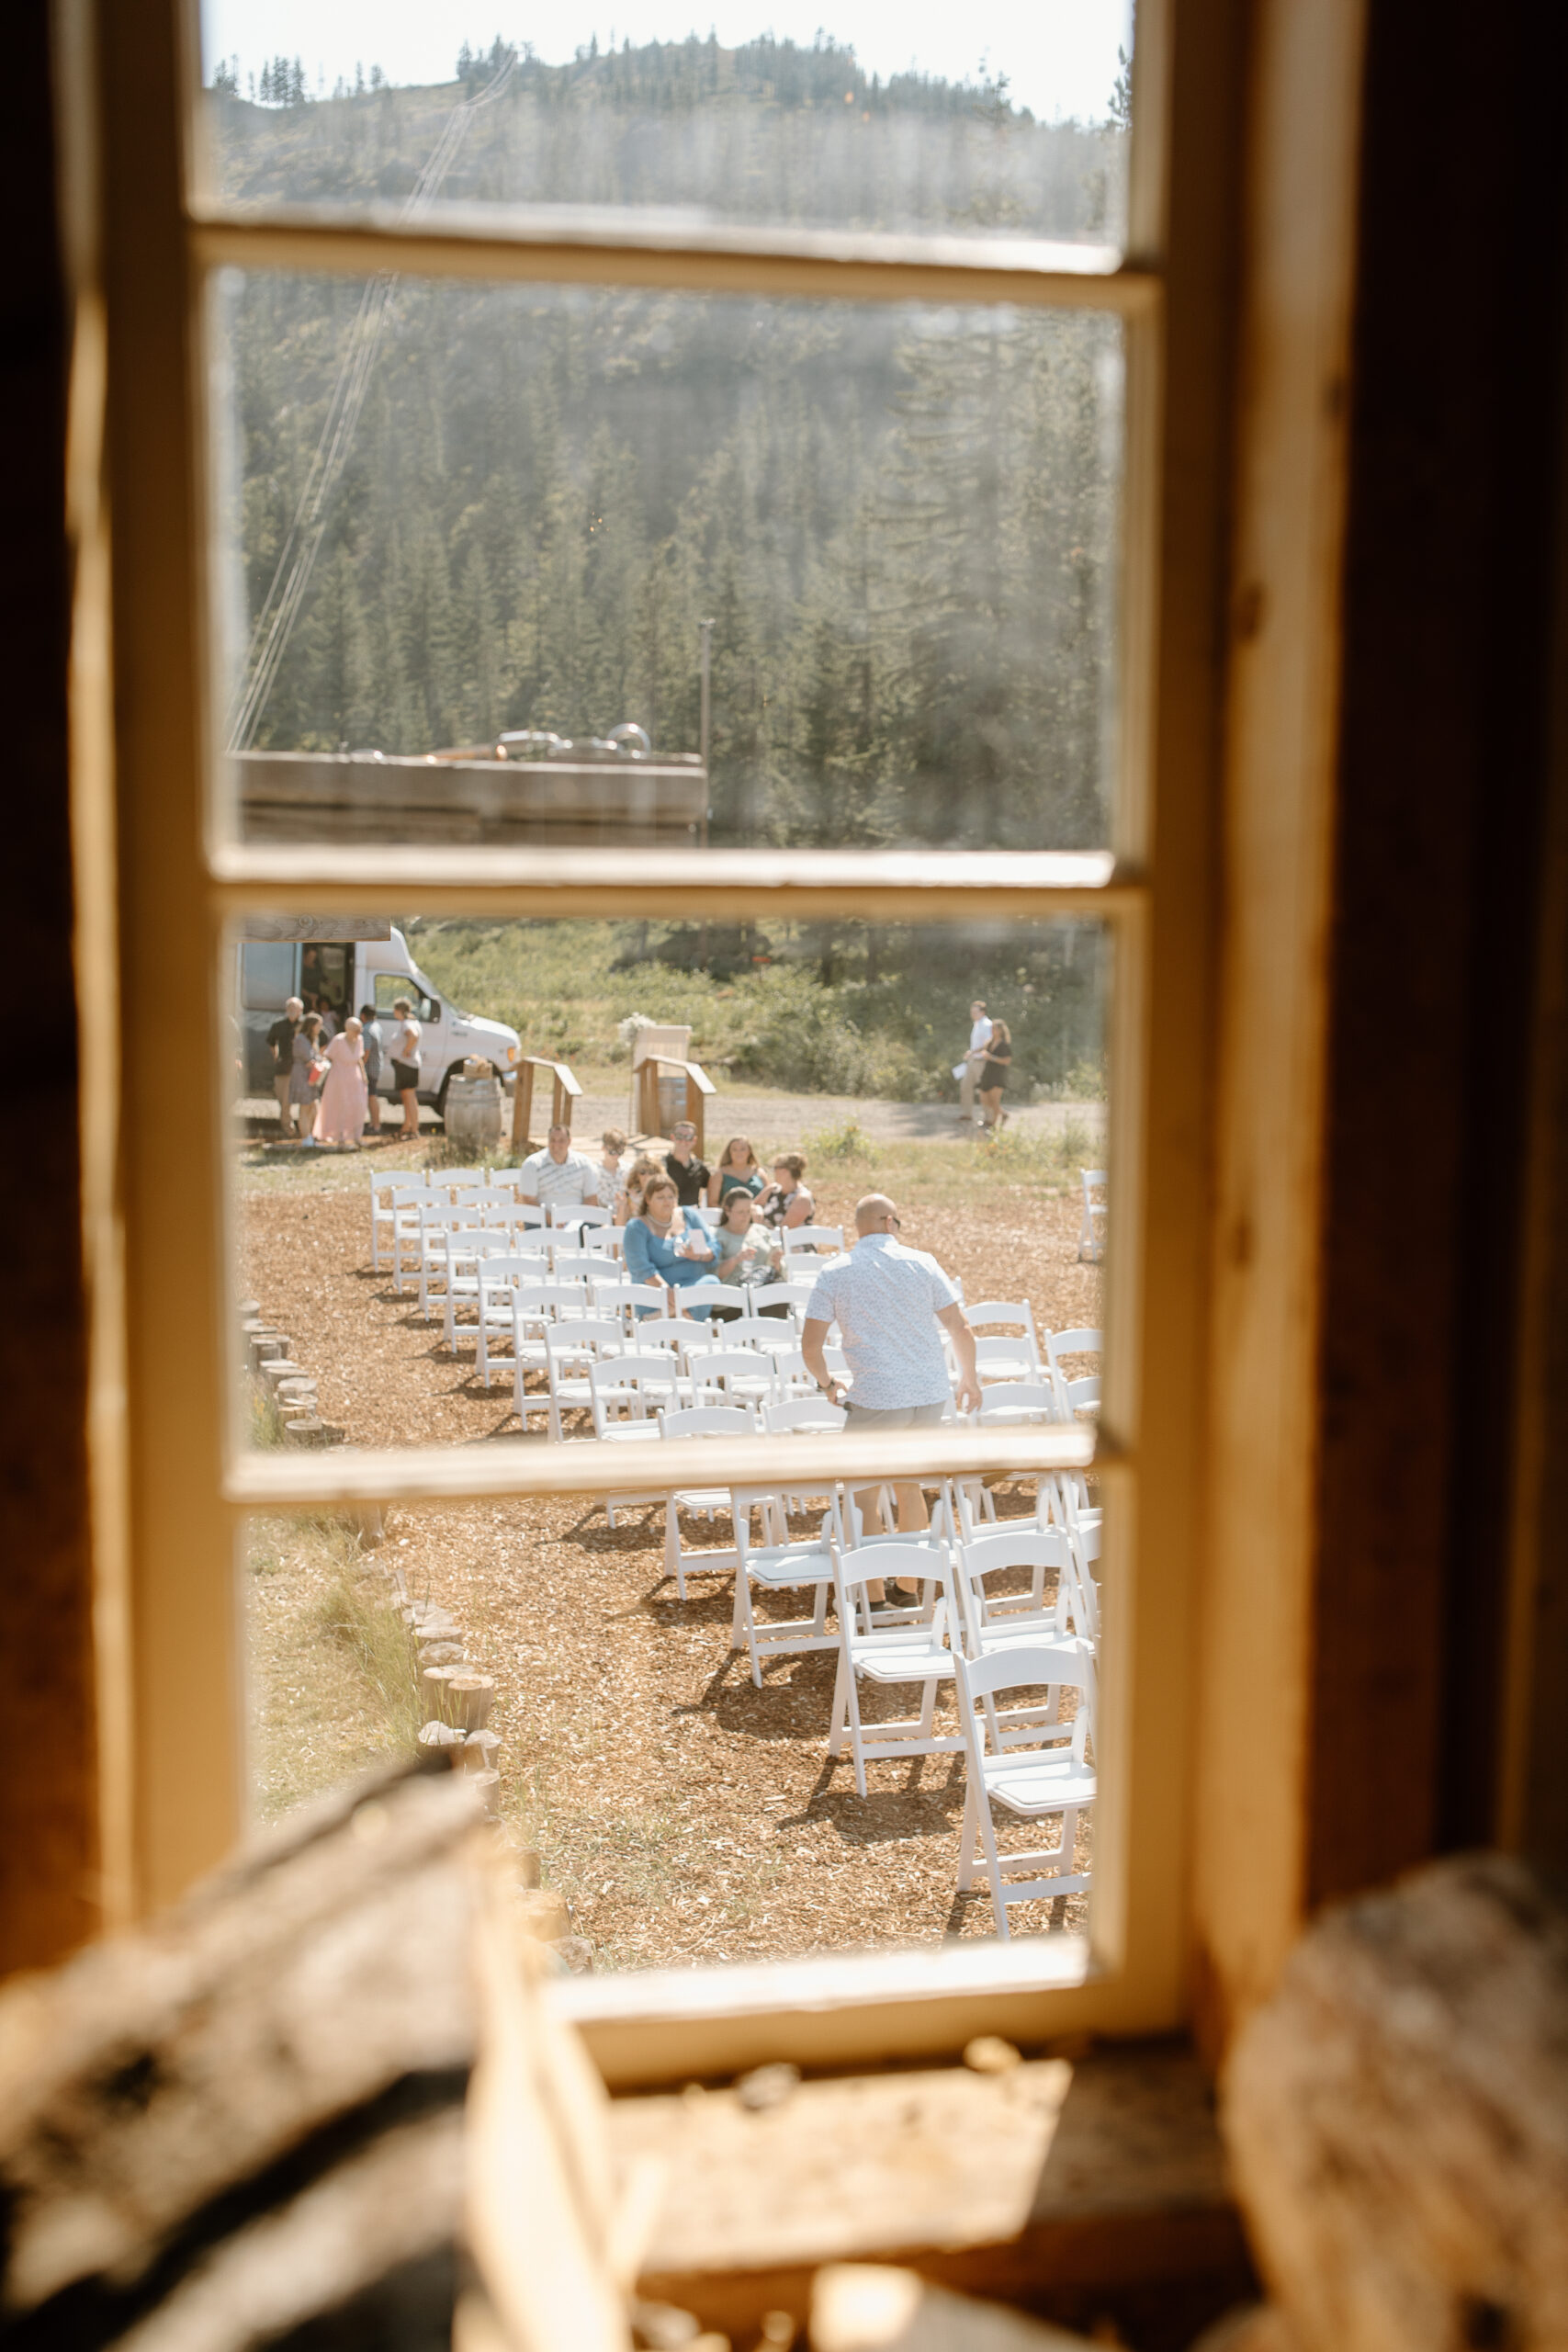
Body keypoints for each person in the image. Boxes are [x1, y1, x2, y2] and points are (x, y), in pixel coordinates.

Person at [801, 1193, 980, 1601]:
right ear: (888, 1222)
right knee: (908, 1485)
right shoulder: (923, 1262)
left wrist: (828, 1384)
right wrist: (969, 1379)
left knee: (864, 1494)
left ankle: (875, 1597)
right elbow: (961, 1328)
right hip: (929, 1394)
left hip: (879, 1395)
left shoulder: (836, 1270)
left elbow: (810, 1347)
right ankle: (907, 1586)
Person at [622, 1172, 719, 1317]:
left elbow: (713, 1248)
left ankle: (668, 1315)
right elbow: (641, 1269)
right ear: (648, 1199)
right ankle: (681, 1316)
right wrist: (668, 1293)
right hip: (655, 1295)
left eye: (670, 1196)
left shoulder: (689, 1216)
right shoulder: (636, 1227)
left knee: (712, 1283)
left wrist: (699, 1255)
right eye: (660, 1197)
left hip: (692, 1288)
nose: (667, 1202)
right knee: (697, 1299)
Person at [711, 1190, 784, 1308]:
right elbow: (713, 1274)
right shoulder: (716, 1235)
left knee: (778, 1294)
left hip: (763, 1291)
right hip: (731, 1299)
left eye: (748, 1211)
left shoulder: (761, 1231)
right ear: (728, 1211)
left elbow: (778, 1271)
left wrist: (777, 1262)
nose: (745, 1216)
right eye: (740, 1212)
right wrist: (736, 1259)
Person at [519, 1124, 601, 1218]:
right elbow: (528, 1200)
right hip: (542, 1221)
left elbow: (591, 1198)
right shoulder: (532, 1164)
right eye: (553, 1140)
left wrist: (574, 1221)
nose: (556, 1145)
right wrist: (552, 1220)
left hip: (578, 1220)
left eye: (561, 1141)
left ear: (569, 1141)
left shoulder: (584, 1163)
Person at [316, 1016, 367, 1148]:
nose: (358, 1032)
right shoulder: (338, 1040)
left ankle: (356, 1136)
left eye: (359, 1029)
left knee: (357, 1105)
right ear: (348, 1029)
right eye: (356, 1029)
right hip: (339, 1077)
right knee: (339, 1106)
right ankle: (339, 1137)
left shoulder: (360, 1040)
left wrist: (363, 1075)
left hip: (354, 1077)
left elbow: (359, 1059)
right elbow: (327, 1056)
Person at [267, 995, 304, 1136]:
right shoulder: (278, 1025)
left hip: (300, 1069)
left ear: (301, 1010)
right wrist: (276, 1056)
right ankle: (288, 1128)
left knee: (305, 1101)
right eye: (289, 1007)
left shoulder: (305, 1024)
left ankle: (302, 1129)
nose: (292, 1010)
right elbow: (271, 1042)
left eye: (295, 1008)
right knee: (283, 1099)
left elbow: (322, 1039)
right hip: (284, 1068)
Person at [956, 999, 995, 1128]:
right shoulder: (977, 1024)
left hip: (982, 1062)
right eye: (971, 1012)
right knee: (965, 1086)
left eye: (975, 1012)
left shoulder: (987, 1024)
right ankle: (967, 1114)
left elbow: (989, 1043)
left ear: (982, 1012)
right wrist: (971, 1052)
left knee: (984, 1090)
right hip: (973, 1061)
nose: (972, 1014)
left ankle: (989, 1119)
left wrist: (974, 1051)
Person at [289, 1012, 325, 1144]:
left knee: (313, 1107)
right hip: (302, 1076)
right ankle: (306, 1138)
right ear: (311, 1026)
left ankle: (311, 1135)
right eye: (319, 1025)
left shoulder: (313, 1040)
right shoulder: (301, 1039)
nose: (321, 1028)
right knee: (305, 1107)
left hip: (312, 1077)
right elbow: (310, 1059)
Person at [390, 997, 422, 1141]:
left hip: (407, 1065)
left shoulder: (407, 1024)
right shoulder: (411, 1022)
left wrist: (405, 1051)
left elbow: (413, 1036)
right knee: (407, 1096)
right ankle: (407, 1126)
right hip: (407, 1064)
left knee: (409, 1097)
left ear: (399, 1011)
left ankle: (414, 1129)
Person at [758, 1151, 815, 1230]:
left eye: (775, 1168)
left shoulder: (802, 1198)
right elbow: (750, 1208)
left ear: (785, 1171)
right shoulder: (772, 1189)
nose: (773, 1171)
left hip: (791, 1242)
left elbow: (784, 1232)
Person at [706, 1135, 765, 1210]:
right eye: (734, 1149)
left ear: (749, 1151)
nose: (739, 1152)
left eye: (742, 1149)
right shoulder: (719, 1174)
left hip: (757, 1217)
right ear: (729, 1152)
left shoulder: (759, 1172)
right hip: (729, 1218)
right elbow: (712, 1204)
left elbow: (770, 1198)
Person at [663, 1120, 710, 1208]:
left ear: (694, 1140)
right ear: (672, 1137)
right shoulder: (663, 1165)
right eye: (679, 1136)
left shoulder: (700, 1168)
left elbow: (709, 1190)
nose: (684, 1141)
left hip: (692, 1215)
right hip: (668, 1214)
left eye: (688, 1137)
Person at [978, 1017, 1013, 1133]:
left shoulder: (1004, 1045)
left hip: (998, 1075)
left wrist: (991, 1058)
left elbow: (1007, 1061)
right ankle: (1003, 1114)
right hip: (987, 1073)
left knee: (994, 1101)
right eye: (992, 1028)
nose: (993, 1030)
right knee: (984, 1099)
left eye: (995, 1028)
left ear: (1001, 1030)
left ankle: (992, 1125)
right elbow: (983, 1052)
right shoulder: (989, 1042)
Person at [358, 1003, 384, 1134]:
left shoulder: (367, 1030)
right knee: (371, 1096)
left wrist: (360, 1068)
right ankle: (374, 1122)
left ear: (363, 1016)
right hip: (377, 1066)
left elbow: (366, 1053)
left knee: (371, 1096)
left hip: (370, 1069)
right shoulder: (377, 1026)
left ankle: (376, 1124)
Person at [620, 1151, 663, 1226]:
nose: (647, 1176)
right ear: (637, 1175)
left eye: (651, 1172)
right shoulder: (629, 1194)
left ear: (657, 1173)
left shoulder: (665, 1193)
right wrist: (622, 1205)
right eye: (643, 1172)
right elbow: (619, 1225)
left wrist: (636, 1208)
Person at [598, 1127, 630, 1219]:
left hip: (624, 1217)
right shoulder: (595, 1171)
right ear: (603, 1148)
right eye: (612, 1152)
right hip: (601, 1218)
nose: (616, 1156)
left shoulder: (628, 1170)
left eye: (620, 1152)